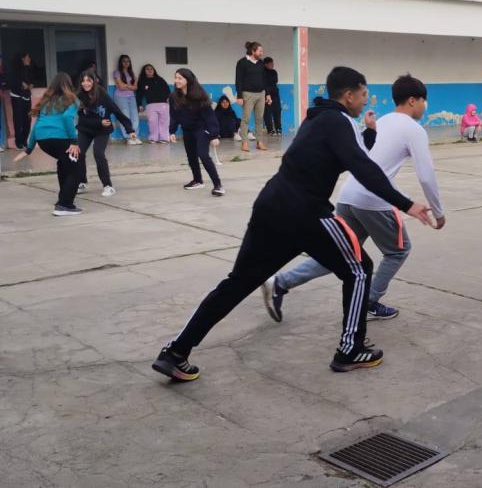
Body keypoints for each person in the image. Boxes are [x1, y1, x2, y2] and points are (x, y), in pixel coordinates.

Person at [152, 66, 432, 382]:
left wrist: (368, 132)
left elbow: (347, 155)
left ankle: (176, 352)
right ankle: (350, 349)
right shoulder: (338, 121)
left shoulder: (317, 119)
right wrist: (407, 204)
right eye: (364, 94)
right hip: (306, 212)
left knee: (238, 282)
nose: (366, 101)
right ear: (350, 94)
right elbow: (364, 168)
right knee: (358, 268)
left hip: (270, 207)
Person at [264, 73, 445, 323]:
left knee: (341, 254)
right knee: (398, 251)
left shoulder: (382, 121)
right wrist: (438, 211)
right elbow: (426, 175)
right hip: (374, 200)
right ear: (413, 100)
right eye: (424, 101)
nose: (425, 107)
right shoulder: (414, 129)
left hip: (349, 196)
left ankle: (280, 283)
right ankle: (369, 301)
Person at [12, 73, 82, 215]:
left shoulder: (46, 100)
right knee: (76, 170)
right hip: (60, 138)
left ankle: (63, 200)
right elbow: (68, 117)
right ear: (69, 85)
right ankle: (64, 205)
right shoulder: (72, 100)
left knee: (64, 164)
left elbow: (37, 124)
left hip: (43, 140)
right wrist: (74, 142)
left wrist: (29, 149)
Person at [76, 70, 137, 197]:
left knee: (98, 154)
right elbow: (83, 119)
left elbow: (116, 110)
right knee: (79, 153)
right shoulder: (79, 96)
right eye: (83, 81)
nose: (85, 83)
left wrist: (129, 129)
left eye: (88, 80)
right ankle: (82, 181)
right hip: (86, 129)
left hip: (102, 131)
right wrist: (99, 122)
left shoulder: (102, 94)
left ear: (94, 81)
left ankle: (108, 186)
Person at [169, 69, 224, 196]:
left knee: (203, 155)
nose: (177, 81)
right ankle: (198, 180)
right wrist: (172, 131)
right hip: (187, 130)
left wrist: (214, 135)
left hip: (201, 129)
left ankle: (218, 185)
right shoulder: (173, 97)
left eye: (180, 78)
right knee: (191, 157)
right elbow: (174, 115)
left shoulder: (199, 95)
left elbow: (210, 116)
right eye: (176, 78)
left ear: (188, 80)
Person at [235, 41, 271, 152]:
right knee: (246, 119)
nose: (262, 53)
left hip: (261, 94)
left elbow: (265, 80)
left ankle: (259, 142)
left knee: (259, 119)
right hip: (247, 94)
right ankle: (244, 143)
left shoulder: (260, 63)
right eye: (260, 51)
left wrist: (268, 94)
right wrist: (239, 96)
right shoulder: (242, 62)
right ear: (253, 51)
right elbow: (238, 80)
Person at [136, 64, 171, 143]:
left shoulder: (160, 79)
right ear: (144, 71)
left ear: (154, 70)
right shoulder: (142, 81)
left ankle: (164, 138)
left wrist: (168, 99)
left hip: (163, 104)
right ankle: (153, 138)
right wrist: (139, 104)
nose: (149, 70)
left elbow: (167, 90)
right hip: (150, 105)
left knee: (164, 122)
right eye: (147, 69)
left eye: (151, 69)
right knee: (152, 122)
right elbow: (139, 94)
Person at [10, 52, 36, 150]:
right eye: (27, 57)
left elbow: (32, 82)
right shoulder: (15, 70)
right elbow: (13, 81)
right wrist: (21, 84)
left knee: (27, 119)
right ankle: (18, 142)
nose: (29, 59)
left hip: (27, 96)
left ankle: (25, 141)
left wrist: (30, 85)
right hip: (17, 96)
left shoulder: (29, 69)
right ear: (22, 59)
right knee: (18, 120)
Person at [113, 54, 141, 145]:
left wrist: (127, 86)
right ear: (120, 62)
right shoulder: (117, 72)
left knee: (135, 117)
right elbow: (120, 87)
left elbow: (135, 87)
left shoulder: (131, 73)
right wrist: (130, 86)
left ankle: (135, 136)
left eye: (128, 61)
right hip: (120, 97)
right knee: (125, 117)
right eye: (124, 61)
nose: (126, 63)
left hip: (132, 96)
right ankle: (128, 137)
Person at [263, 56, 282, 136]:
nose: (272, 65)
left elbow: (275, 80)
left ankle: (278, 128)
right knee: (267, 112)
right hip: (266, 94)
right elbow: (264, 83)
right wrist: (267, 93)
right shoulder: (262, 72)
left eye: (272, 63)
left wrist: (269, 82)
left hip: (275, 94)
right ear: (266, 64)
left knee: (277, 111)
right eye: (270, 64)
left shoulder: (274, 72)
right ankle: (270, 130)